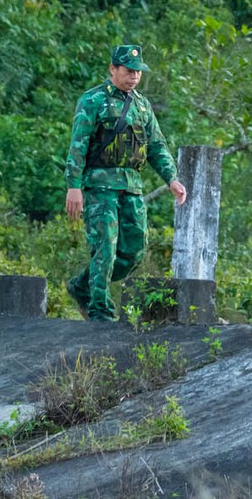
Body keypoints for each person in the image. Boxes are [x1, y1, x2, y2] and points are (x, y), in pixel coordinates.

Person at [62, 45, 187, 321]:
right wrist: (74, 186)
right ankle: (100, 311)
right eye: (129, 71)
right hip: (100, 186)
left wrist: (171, 179)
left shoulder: (142, 105)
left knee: (134, 251)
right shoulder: (93, 100)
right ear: (113, 69)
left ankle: (82, 286)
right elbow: (78, 145)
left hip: (131, 186)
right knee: (104, 248)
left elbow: (156, 146)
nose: (134, 76)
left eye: (138, 72)